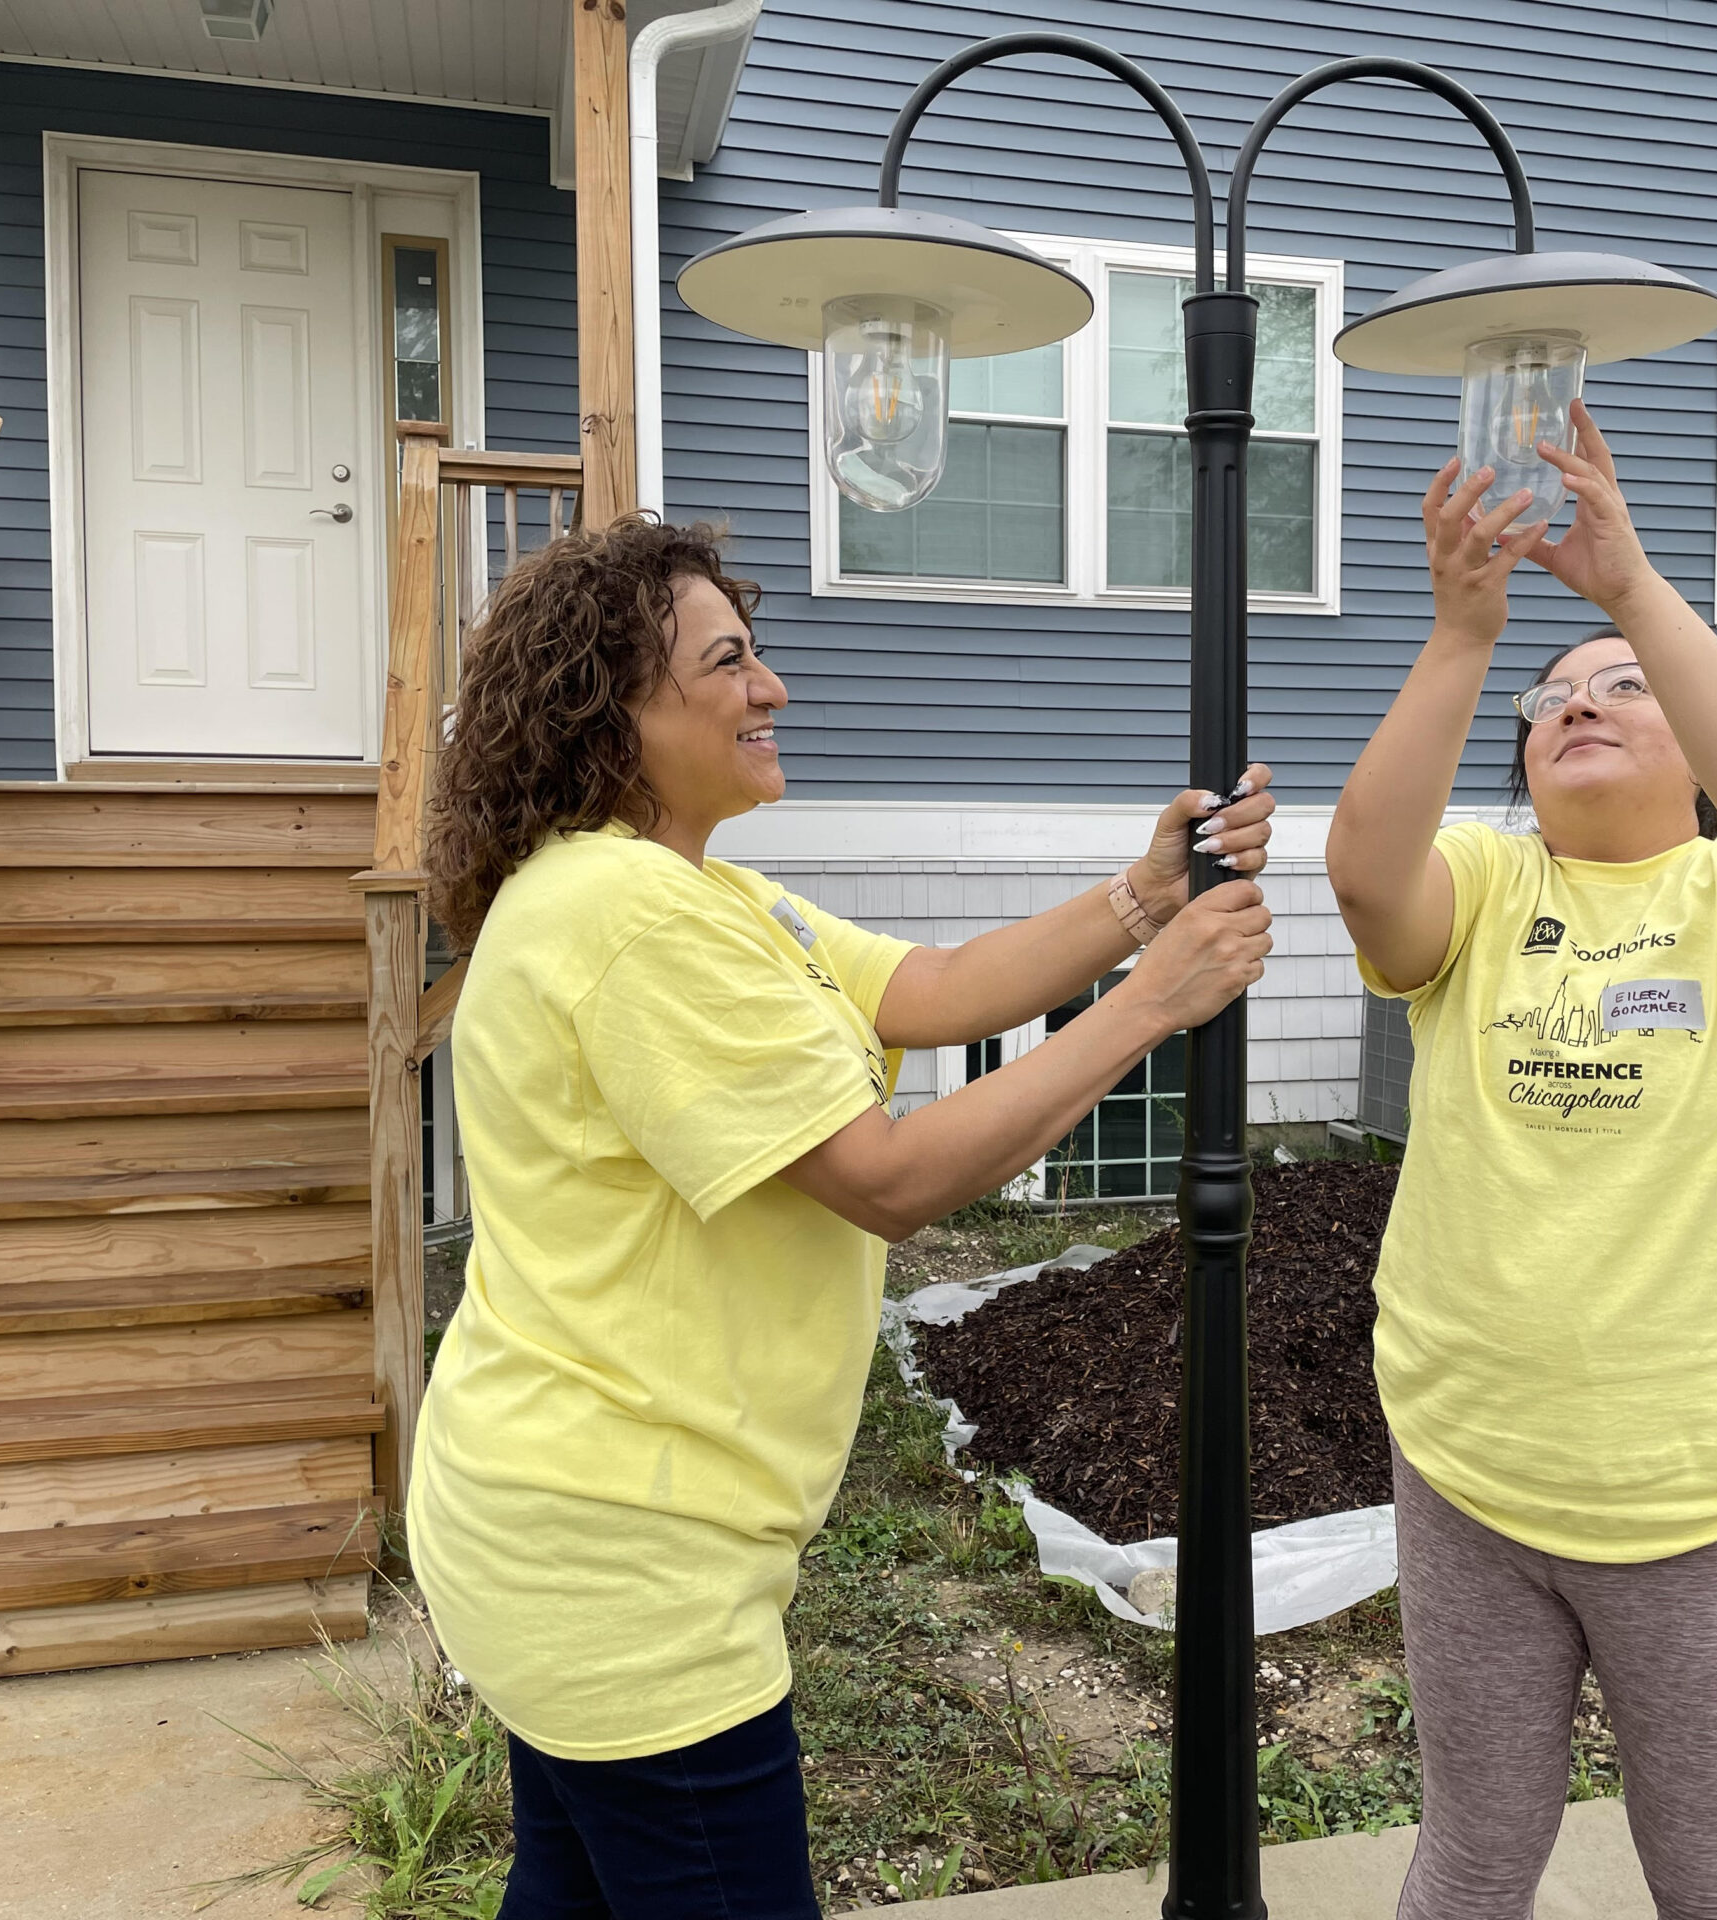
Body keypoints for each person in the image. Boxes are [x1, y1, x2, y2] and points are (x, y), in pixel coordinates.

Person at [404, 517, 1277, 1920]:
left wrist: (1140, 900)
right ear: (614, 710)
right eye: (730, 661)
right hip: (625, 1566)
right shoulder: (633, 920)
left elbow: (931, 985)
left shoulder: (701, 897)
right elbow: (886, 1177)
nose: (774, 689)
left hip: (553, 1531)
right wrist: (1158, 1000)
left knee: (568, 1888)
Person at [1327, 401, 1717, 1920]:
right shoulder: (1493, 887)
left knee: (1708, 1871)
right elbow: (1369, 876)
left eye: (1623, 688)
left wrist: (1631, 592)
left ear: (1698, 743)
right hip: (1471, 1466)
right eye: (1550, 694)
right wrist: (1461, 640)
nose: (1576, 701)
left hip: (1694, 1485)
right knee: (1471, 1854)